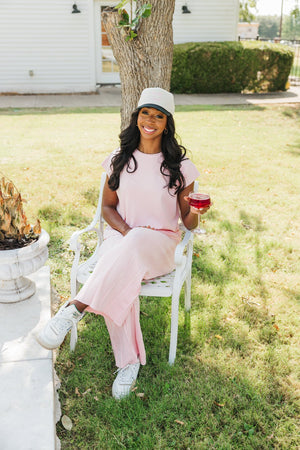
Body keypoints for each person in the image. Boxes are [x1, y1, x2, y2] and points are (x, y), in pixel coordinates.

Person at [37, 87, 210, 400]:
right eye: (146, 113)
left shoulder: (181, 168)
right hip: (123, 238)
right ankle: (128, 363)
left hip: (160, 244)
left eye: (159, 116)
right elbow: (107, 208)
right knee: (123, 268)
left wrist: (197, 214)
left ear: (167, 124)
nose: (151, 121)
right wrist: (128, 233)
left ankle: (75, 308)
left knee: (128, 251)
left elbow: (187, 223)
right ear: (137, 117)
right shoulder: (119, 160)